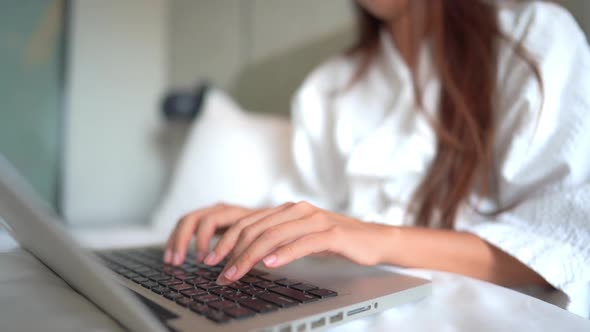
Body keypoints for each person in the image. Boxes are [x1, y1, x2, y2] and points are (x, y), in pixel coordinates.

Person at [164, 0, 590, 313]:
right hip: (348, 293)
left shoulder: (535, 39)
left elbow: (559, 245)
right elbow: (320, 211)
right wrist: (258, 222)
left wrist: (373, 237)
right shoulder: (330, 86)